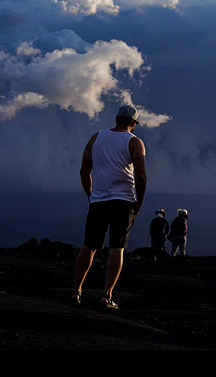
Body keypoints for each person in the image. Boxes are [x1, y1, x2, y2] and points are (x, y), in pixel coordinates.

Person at [72, 104, 147, 309]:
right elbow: (140, 176)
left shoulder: (96, 138)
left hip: (98, 200)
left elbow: (84, 171)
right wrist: (138, 202)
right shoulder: (134, 142)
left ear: (116, 119)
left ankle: (76, 290)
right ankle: (107, 295)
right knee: (117, 248)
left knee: (89, 246)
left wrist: (91, 194)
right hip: (123, 201)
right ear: (133, 123)